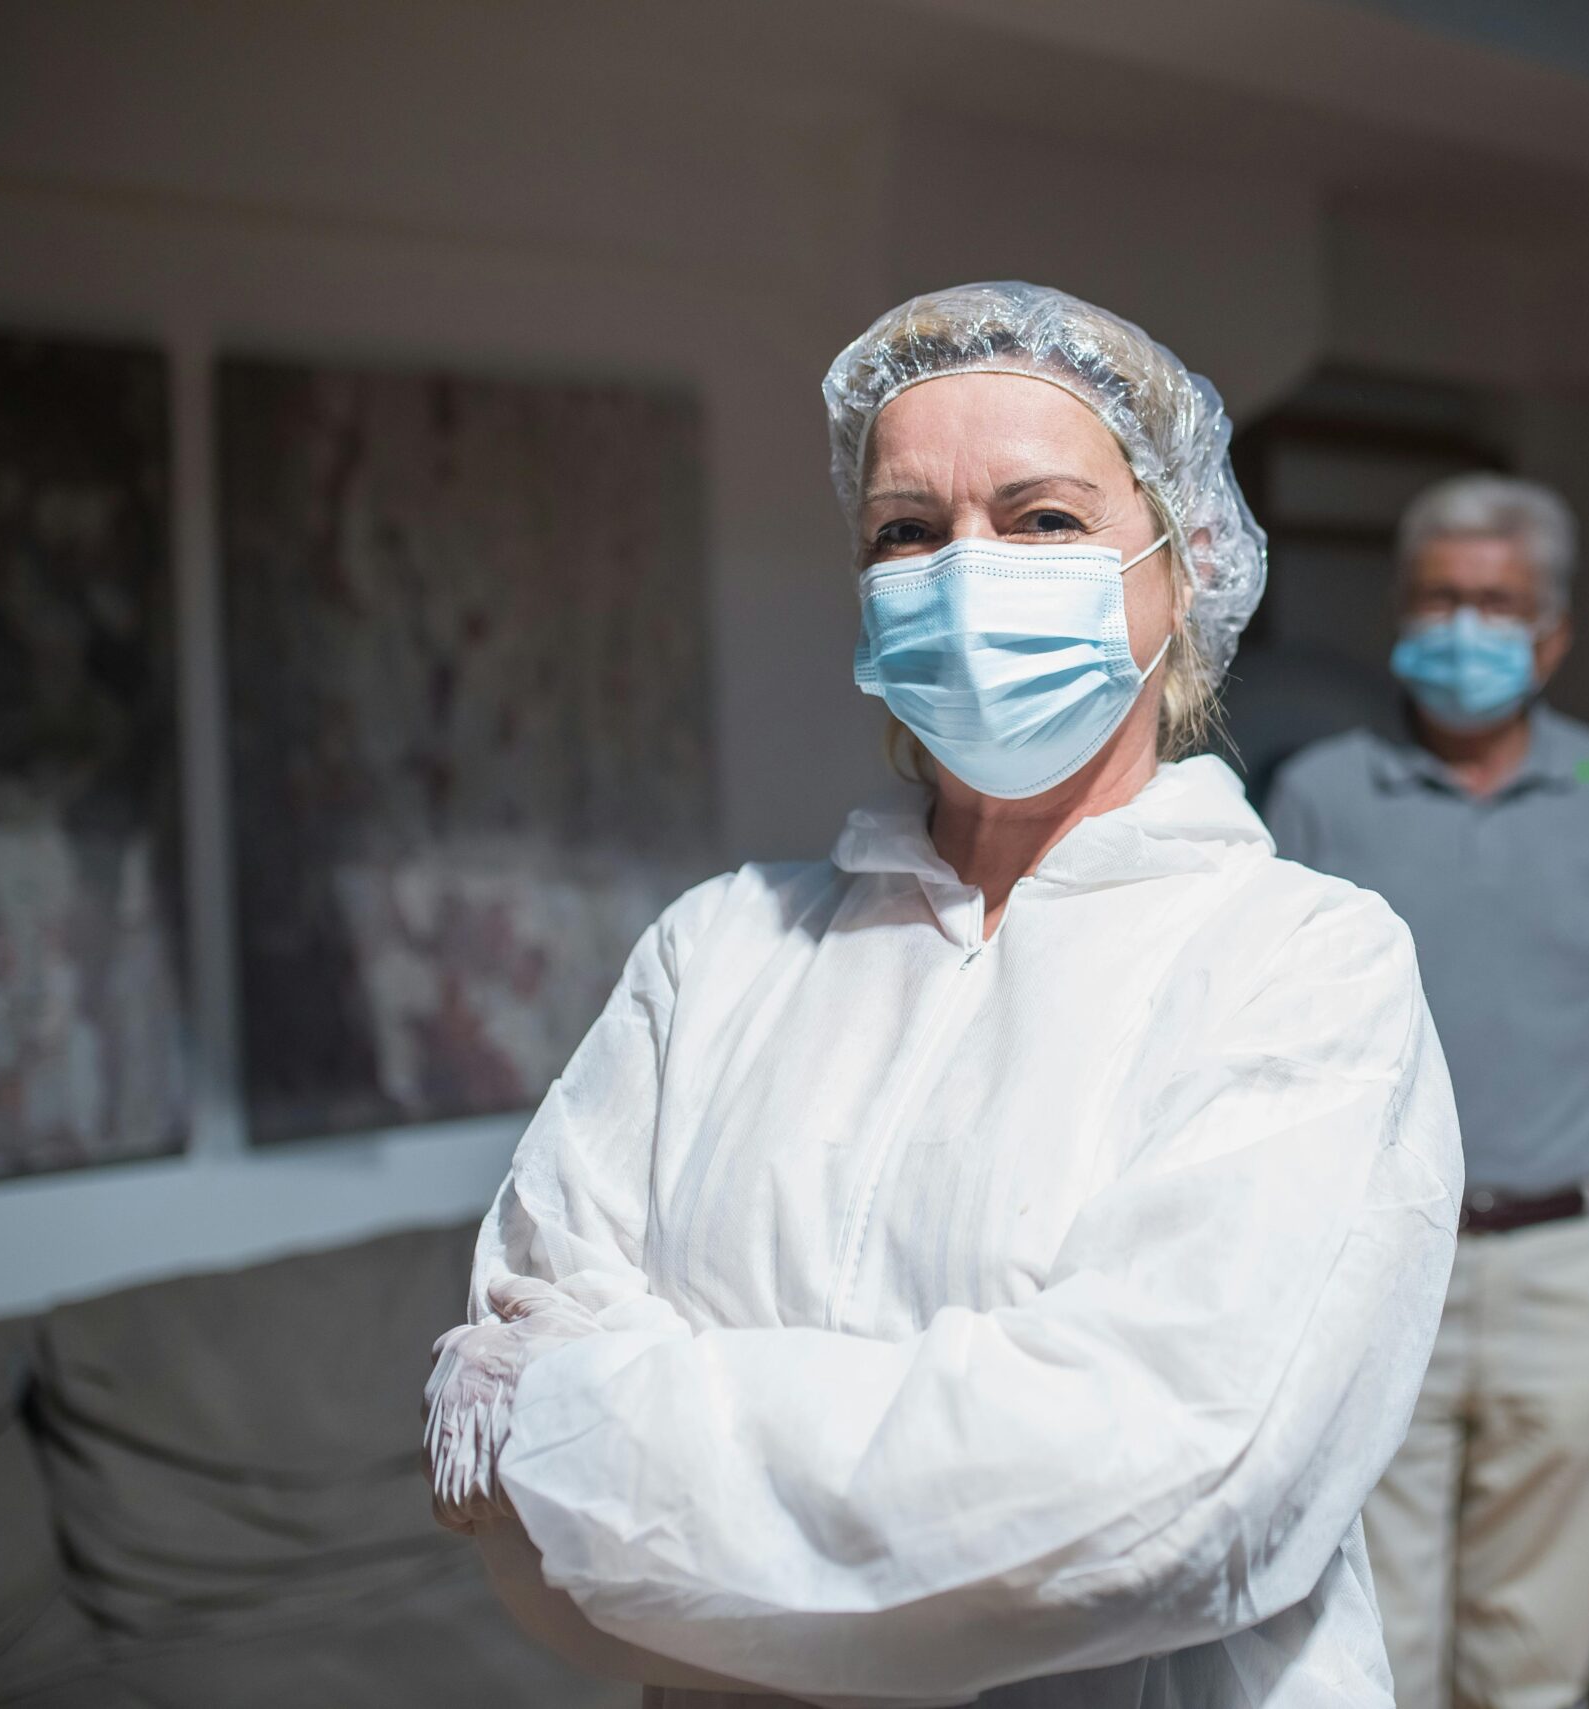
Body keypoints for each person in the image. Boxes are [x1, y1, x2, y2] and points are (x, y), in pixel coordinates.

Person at [421, 281, 1465, 1709]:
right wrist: (945, 1480)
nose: (965, 571)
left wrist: (618, 1432)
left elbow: (1172, 1494)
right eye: (907, 531)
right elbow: (515, 1458)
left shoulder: (1304, 962)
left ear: (1183, 564)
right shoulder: (718, 950)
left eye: (1042, 521)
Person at [1266, 473, 1589, 1709]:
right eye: (1441, 597)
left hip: (1584, 1255)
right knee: (1371, 1632)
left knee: (1538, 1651)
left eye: (1497, 603)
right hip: (1388, 1259)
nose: (1466, 626)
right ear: (1400, 614)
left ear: (1551, 634)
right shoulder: (1320, 791)